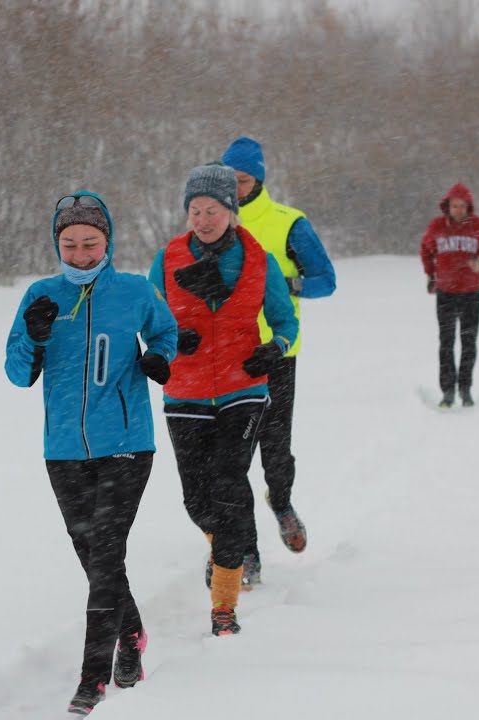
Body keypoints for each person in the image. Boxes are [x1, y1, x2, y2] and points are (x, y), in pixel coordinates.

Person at [4, 190, 178, 715]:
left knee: (105, 554)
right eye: (70, 243)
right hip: (62, 450)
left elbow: (165, 332)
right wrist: (34, 337)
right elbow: (17, 374)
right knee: (93, 557)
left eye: (91, 243)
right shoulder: (41, 295)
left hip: (126, 444)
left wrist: (159, 359)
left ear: (108, 242)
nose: (80, 253)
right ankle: (131, 633)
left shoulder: (133, 291)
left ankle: (93, 679)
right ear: (57, 244)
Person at [148, 163, 299, 636]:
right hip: (185, 392)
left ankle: (225, 605)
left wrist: (273, 351)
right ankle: (231, 545)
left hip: (243, 388)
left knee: (230, 483)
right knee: (197, 498)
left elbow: (285, 322)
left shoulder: (258, 262)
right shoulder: (167, 259)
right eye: (194, 210)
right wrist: (171, 341)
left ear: (231, 213)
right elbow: (149, 319)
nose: (202, 219)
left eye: (211, 210)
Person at [219, 137, 336, 589]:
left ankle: (282, 502)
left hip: (277, 353)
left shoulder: (289, 223)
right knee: (233, 459)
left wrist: (285, 284)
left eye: (242, 180)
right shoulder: (212, 220)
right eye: (228, 180)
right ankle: (246, 552)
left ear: (259, 180)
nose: (234, 188)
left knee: (274, 446)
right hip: (228, 357)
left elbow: (325, 280)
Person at [419, 182, 479, 408]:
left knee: (468, 342)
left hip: (470, 293)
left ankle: (465, 389)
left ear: (469, 207)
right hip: (445, 293)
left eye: (462, 206)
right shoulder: (437, 227)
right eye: (454, 206)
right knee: (446, 343)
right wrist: (431, 275)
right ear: (447, 206)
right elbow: (425, 250)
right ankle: (448, 390)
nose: (458, 210)